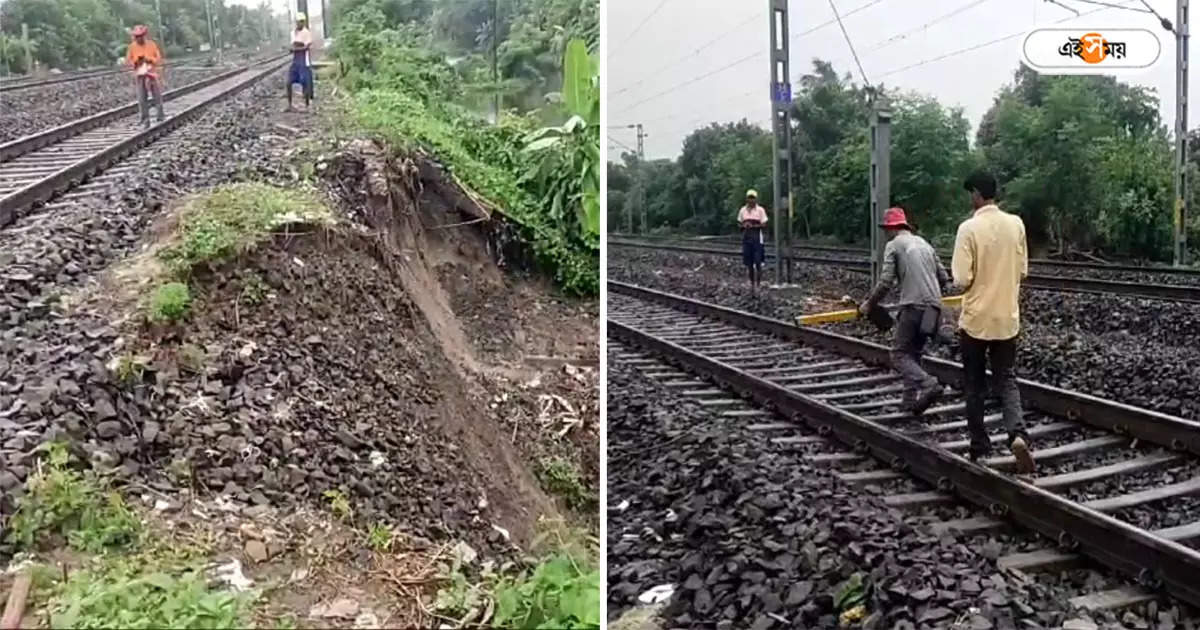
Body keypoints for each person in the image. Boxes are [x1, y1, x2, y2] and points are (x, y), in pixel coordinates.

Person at [952, 171, 1036, 475]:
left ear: (976, 193)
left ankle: (980, 447)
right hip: (1007, 318)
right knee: (1007, 378)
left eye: (969, 193)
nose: (969, 199)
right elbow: (1023, 270)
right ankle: (1017, 434)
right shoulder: (1016, 225)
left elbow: (962, 279)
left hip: (976, 320)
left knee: (973, 383)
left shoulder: (968, 228)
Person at [858, 207, 949, 416]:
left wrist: (869, 304)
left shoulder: (894, 245)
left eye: (886, 230)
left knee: (898, 354)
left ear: (891, 228)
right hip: (934, 308)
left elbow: (885, 282)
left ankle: (928, 384)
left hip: (913, 307)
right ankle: (909, 401)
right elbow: (944, 278)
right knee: (914, 353)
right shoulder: (924, 243)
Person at [126, 25, 165, 127]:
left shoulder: (152, 45)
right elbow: (129, 60)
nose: (139, 38)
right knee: (142, 97)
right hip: (140, 74)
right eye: (137, 36)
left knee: (157, 95)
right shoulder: (132, 47)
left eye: (141, 36)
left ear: (144, 35)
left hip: (151, 73)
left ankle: (160, 115)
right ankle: (144, 118)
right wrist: (136, 62)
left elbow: (158, 58)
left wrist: (150, 60)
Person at [737, 190, 768, 292]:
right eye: (749, 198)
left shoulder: (760, 210)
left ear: (756, 199)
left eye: (753, 198)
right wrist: (743, 226)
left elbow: (764, 224)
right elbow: (739, 224)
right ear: (746, 199)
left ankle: (758, 284)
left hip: (757, 239)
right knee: (749, 263)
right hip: (747, 238)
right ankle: (752, 284)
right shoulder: (743, 210)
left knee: (758, 262)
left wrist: (753, 226)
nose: (751, 200)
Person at [288, 13, 314, 112]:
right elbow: (293, 45)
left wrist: (296, 49)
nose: (300, 23)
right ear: (297, 22)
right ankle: (289, 105)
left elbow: (307, 47)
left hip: (304, 60)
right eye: (299, 21)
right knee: (288, 82)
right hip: (295, 60)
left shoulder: (307, 33)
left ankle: (307, 105)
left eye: (302, 21)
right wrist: (293, 49)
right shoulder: (293, 33)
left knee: (305, 82)